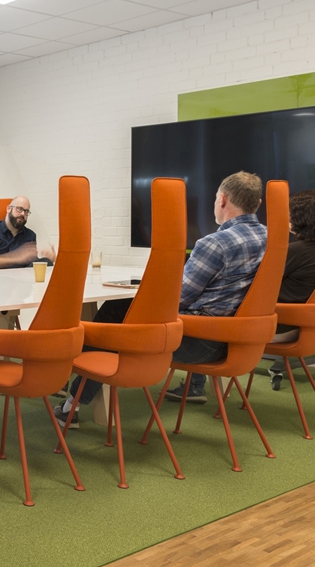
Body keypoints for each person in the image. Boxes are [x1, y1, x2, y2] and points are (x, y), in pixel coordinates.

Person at [54, 171, 267, 427]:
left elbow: (175, 300)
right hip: (241, 340)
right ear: (257, 203)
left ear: (222, 199)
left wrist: (153, 289)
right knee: (120, 311)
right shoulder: (272, 239)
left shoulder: (215, 244)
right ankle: (71, 397)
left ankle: (70, 400)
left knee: (113, 313)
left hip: (200, 342)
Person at [272, 189, 315, 342]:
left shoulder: (296, 251)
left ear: (300, 217)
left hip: (279, 325)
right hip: (302, 326)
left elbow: (257, 287)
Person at [0, 196, 55, 270]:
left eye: (26, 211)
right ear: (9, 209)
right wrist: (17, 257)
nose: (23, 214)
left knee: (46, 262)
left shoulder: (30, 235)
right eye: (19, 209)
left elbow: (30, 265)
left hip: (23, 276)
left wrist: (49, 259)